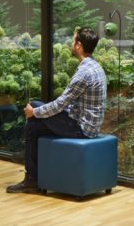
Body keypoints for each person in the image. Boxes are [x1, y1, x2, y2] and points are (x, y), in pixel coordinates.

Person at [7, 27, 106, 194]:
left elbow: (60, 104)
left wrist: (35, 113)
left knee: (34, 115)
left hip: (82, 129)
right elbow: (69, 104)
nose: (71, 43)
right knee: (35, 115)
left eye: (73, 40)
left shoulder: (84, 73)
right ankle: (30, 169)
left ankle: (31, 177)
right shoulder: (95, 67)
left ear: (79, 45)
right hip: (85, 123)